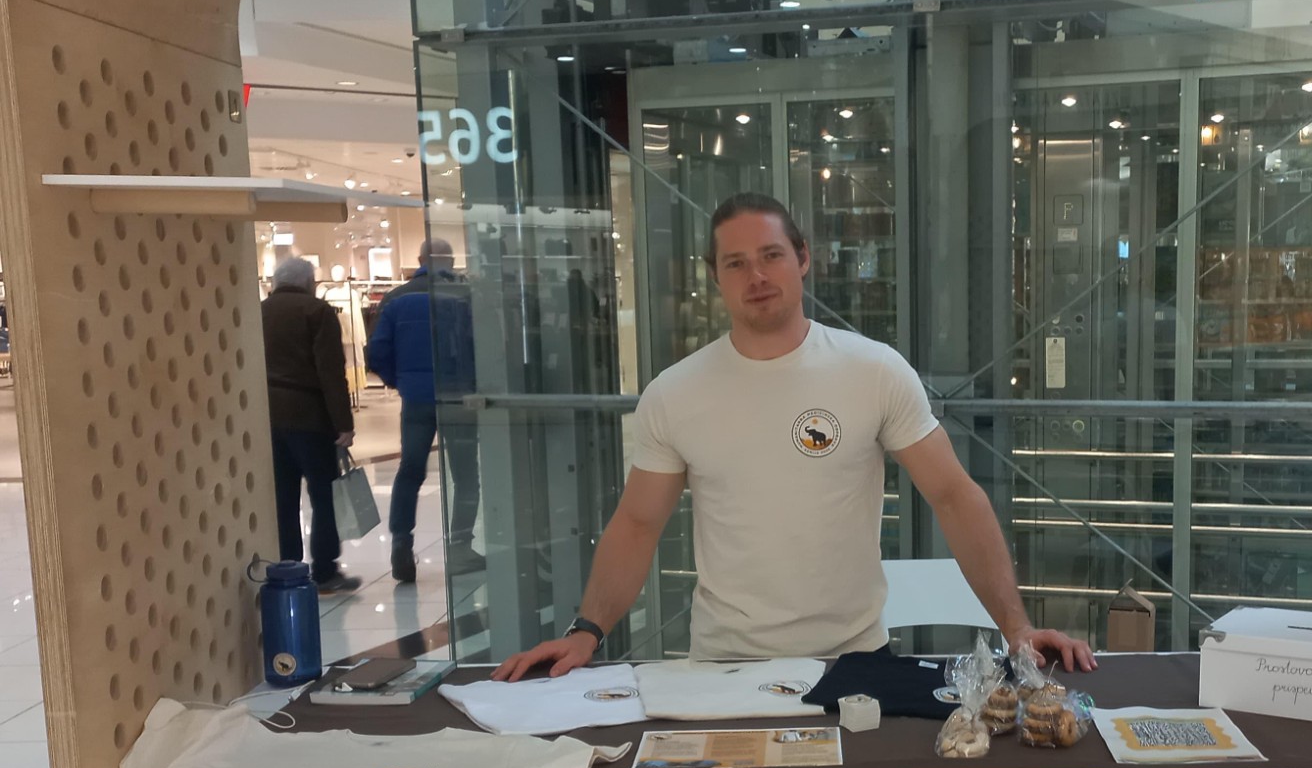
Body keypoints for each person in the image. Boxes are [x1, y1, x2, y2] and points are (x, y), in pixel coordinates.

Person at [494, 192, 1094, 681]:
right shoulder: (675, 393)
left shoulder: (872, 371)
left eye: (771, 255)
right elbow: (637, 524)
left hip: (854, 662)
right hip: (724, 667)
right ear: (715, 276)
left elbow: (955, 497)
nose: (756, 276)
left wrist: (1017, 628)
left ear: (803, 258)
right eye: (735, 263)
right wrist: (586, 631)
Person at [364, 238, 482, 584]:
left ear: (419, 260)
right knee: (465, 476)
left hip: (416, 398)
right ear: (451, 260)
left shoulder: (396, 298)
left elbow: (377, 351)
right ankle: (460, 548)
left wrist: (398, 380)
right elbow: (481, 345)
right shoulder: (465, 295)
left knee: (410, 471)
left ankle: (401, 543)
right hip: (458, 396)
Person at [261, 256, 360, 596]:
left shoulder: (258, 312)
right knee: (323, 496)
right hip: (310, 416)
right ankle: (325, 570)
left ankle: (289, 569)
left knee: (283, 499)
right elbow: (330, 372)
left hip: (268, 416)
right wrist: (343, 423)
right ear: (308, 283)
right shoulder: (317, 312)